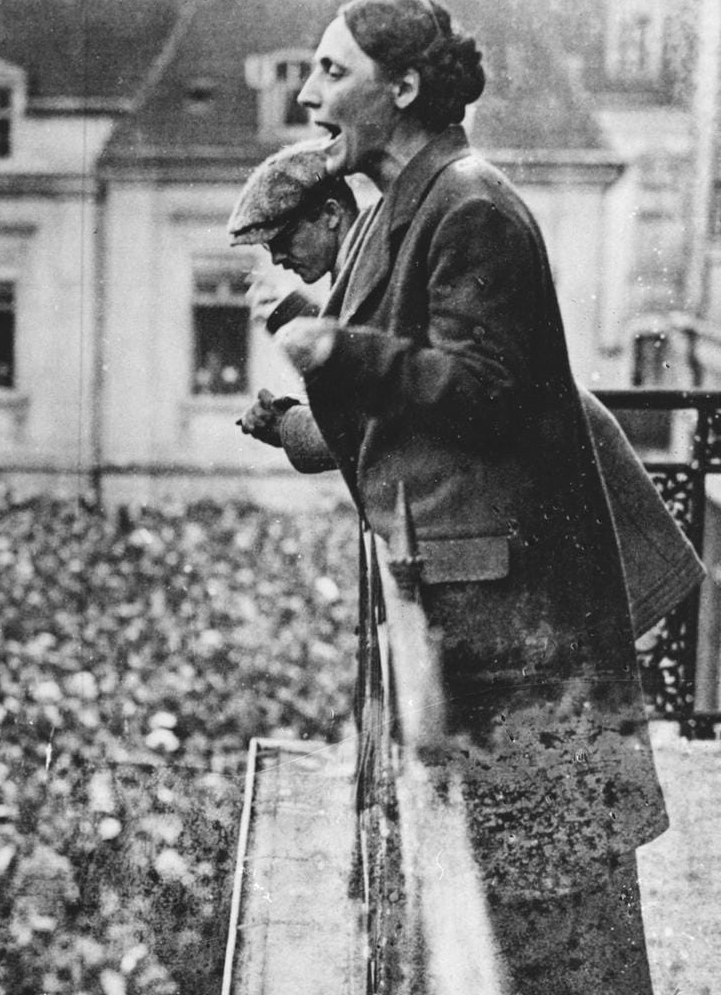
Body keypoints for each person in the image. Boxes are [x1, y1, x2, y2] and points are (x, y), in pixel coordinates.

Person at [269, 0, 670, 995]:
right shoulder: (401, 209)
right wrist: (308, 427)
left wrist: (335, 352)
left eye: (329, 73)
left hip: (518, 625)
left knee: (556, 919)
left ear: (399, 89)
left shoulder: (469, 204)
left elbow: (488, 390)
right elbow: (413, 419)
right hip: (475, 606)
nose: (309, 96)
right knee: (525, 905)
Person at [227, 139, 705, 638]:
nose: (278, 258)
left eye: (282, 239)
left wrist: (284, 422)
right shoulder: (372, 245)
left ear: (329, 214)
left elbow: (371, 418)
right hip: (538, 502)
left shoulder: (399, 242)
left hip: (542, 516)